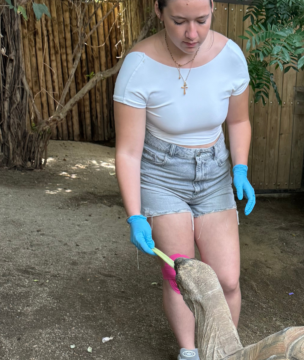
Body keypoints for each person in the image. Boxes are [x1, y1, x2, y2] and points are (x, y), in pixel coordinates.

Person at [112, 0, 255, 359]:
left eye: (201, 20)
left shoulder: (231, 57)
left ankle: (223, 352)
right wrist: (135, 215)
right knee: (180, 274)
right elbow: (128, 152)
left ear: (213, 11)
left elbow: (238, 121)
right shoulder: (139, 66)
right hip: (161, 174)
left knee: (227, 280)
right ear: (159, 13)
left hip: (215, 171)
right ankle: (190, 352)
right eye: (179, 21)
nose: (192, 34)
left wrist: (240, 168)